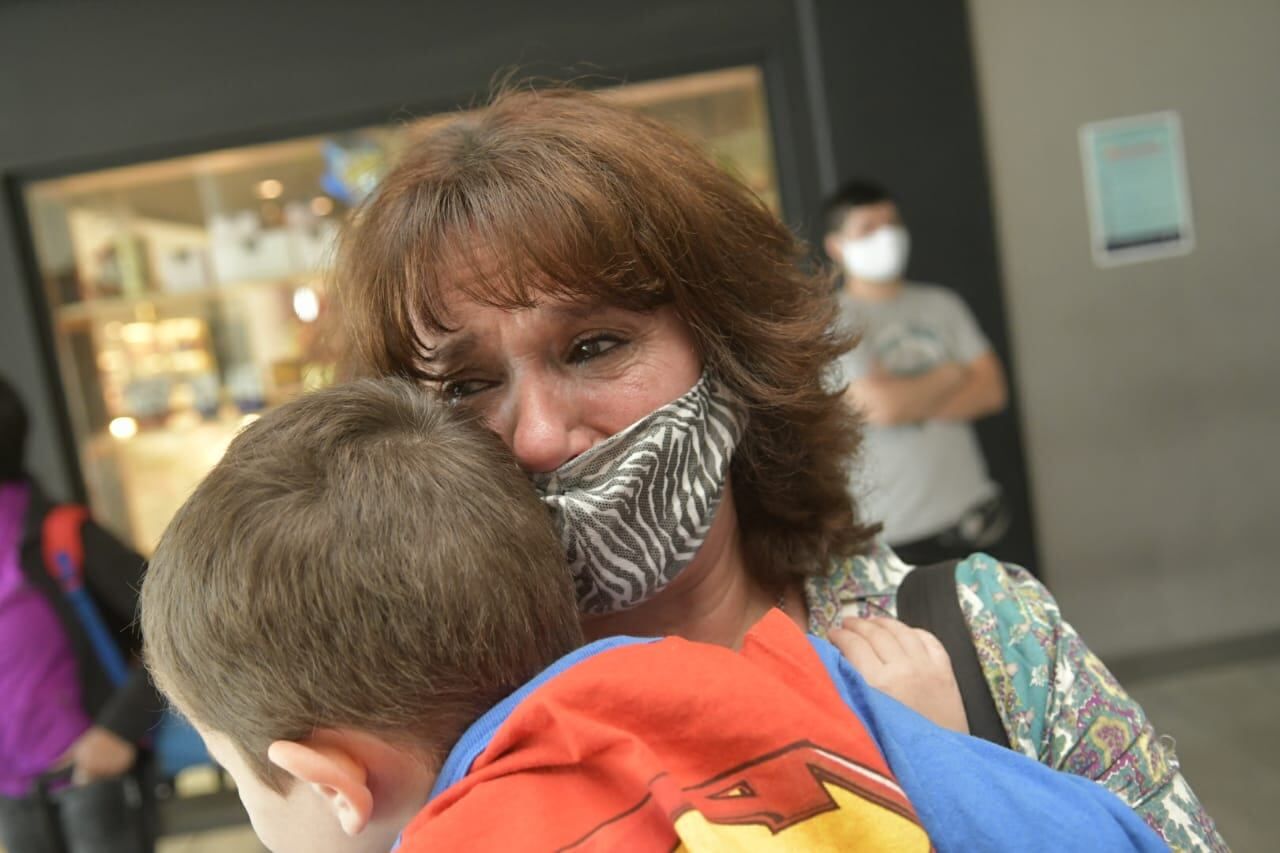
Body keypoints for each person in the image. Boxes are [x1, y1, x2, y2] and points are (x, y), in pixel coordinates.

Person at [331, 85, 1224, 850]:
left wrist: (944, 776)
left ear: (729, 351)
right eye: (467, 385)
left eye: (594, 345)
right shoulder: (428, 747)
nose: (535, 434)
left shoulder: (981, 642)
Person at [138, 377, 1166, 852]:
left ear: (334, 781)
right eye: (473, 384)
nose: (541, 430)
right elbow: (1105, 836)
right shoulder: (810, 685)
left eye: (244, 783)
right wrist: (920, 772)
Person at [0, 375, 158, 853]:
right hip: (14, 795)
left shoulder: (59, 533)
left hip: (91, 781)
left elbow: (181, 625)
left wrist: (119, 729)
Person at [822, 179, 1010, 566]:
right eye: (868, 228)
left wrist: (909, 396)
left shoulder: (942, 305)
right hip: (891, 537)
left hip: (971, 519)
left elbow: (991, 390)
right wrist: (950, 374)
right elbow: (882, 408)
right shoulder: (834, 321)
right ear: (837, 246)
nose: (886, 236)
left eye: (891, 223)